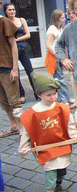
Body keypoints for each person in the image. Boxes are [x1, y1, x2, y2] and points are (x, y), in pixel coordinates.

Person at [18, 72, 77, 192]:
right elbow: (27, 131)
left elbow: (69, 125)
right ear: (39, 95)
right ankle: (50, 189)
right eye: (49, 95)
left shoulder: (62, 108)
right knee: (50, 173)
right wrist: (23, 147)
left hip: (62, 146)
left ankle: (58, 184)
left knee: (62, 170)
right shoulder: (32, 114)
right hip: (46, 149)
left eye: (55, 93)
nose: (53, 97)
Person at [4, 3, 38, 103]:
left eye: (13, 9)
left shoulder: (21, 20)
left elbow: (28, 35)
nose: (12, 11)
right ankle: (21, 94)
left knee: (30, 71)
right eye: (9, 10)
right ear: (6, 11)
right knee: (16, 73)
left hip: (23, 49)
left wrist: (16, 39)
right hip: (11, 51)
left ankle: (37, 92)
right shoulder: (5, 22)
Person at [0, 0, 23, 138]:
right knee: (3, 100)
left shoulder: (5, 22)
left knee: (14, 100)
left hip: (7, 66)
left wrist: (15, 68)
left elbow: (14, 46)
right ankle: (13, 125)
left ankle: (22, 129)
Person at [45, 9, 76, 109]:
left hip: (60, 55)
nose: (64, 19)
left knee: (58, 78)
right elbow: (48, 45)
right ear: (57, 18)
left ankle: (61, 98)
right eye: (62, 17)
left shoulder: (60, 29)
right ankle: (65, 99)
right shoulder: (52, 29)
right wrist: (58, 55)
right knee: (60, 78)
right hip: (54, 56)